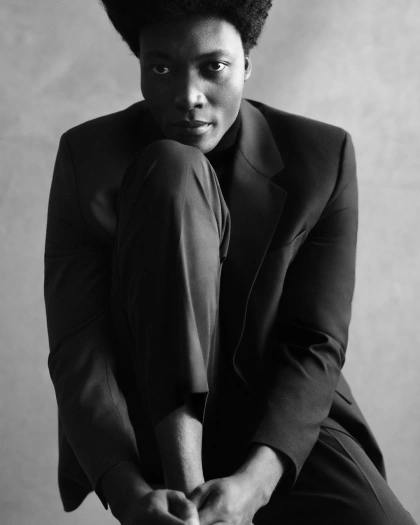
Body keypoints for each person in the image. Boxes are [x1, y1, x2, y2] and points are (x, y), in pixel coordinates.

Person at [43, 1, 417, 524]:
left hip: (278, 422)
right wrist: (128, 491)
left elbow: (315, 342)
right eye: (161, 68)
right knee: (174, 168)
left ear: (246, 65)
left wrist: (254, 486)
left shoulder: (321, 157)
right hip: (145, 421)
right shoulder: (88, 157)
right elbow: (79, 345)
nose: (188, 95)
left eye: (213, 66)